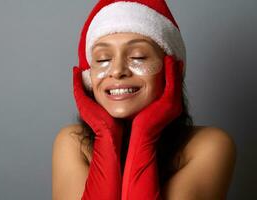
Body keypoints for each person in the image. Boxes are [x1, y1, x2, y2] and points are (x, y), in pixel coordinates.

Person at [52, 1, 237, 199]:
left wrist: (144, 135)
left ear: (171, 71)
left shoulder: (209, 146)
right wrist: (105, 136)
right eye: (103, 59)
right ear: (88, 78)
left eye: (138, 57)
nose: (117, 71)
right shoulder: (73, 142)